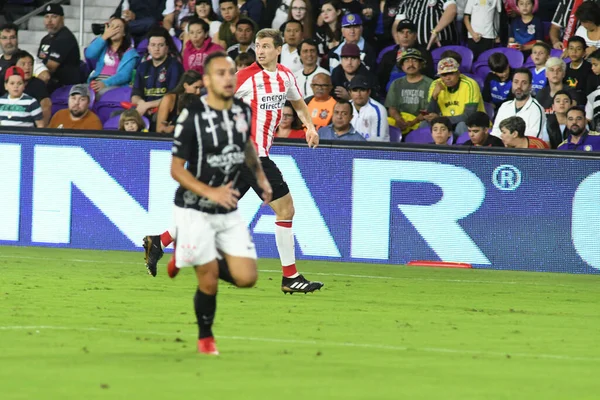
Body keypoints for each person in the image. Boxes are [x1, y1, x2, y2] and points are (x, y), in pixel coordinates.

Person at [144, 29, 324, 294]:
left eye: (265, 46)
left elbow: (298, 103)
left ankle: (160, 241)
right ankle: (290, 277)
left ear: (278, 49)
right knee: (285, 211)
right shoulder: (245, 77)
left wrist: (310, 126)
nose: (260, 51)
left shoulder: (285, 76)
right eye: (257, 46)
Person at [169, 51, 272, 355]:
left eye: (231, 72)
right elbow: (175, 170)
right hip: (194, 207)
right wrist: (210, 192)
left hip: (226, 208)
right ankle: (205, 338)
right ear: (206, 80)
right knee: (210, 280)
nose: (229, 78)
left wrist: (260, 176)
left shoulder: (242, 110)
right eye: (221, 73)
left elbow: (247, 145)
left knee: (247, 278)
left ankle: (187, 253)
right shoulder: (192, 116)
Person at [131, 28, 184, 119]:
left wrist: (147, 105)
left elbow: (172, 97)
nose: (156, 49)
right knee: (117, 114)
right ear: (148, 47)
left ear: (167, 48)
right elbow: (135, 95)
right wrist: (142, 104)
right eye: (153, 45)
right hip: (145, 108)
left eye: (161, 45)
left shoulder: (175, 66)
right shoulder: (142, 66)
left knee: (156, 117)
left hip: (166, 109)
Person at [425, 57, 485, 136]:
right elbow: (431, 114)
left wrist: (442, 120)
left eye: (451, 73)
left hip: (471, 123)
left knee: (461, 125)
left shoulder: (470, 84)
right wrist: (434, 97)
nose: (448, 78)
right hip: (446, 124)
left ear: (458, 73)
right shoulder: (435, 84)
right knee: (424, 124)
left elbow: (469, 116)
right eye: (444, 75)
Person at [85, 17, 140, 98]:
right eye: (111, 26)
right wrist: (104, 37)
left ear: (124, 33)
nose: (113, 29)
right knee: (78, 92)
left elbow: (124, 75)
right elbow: (89, 54)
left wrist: (105, 83)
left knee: (97, 95)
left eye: (117, 27)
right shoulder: (103, 47)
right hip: (96, 83)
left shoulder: (130, 53)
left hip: (114, 85)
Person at [377, 19, 435, 92]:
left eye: (409, 32)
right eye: (402, 32)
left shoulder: (424, 54)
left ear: (415, 36)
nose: (405, 36)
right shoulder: (388, 55)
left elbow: (429, 76)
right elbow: (380, 79)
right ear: (397, 35)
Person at [492, 68, 549, 142]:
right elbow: (495, 134)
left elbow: (532, 140)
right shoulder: (504, 106)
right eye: (516, 82)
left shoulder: (536, 109)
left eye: (524, 83)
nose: (519, 86)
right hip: (501, 150)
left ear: (530, 86)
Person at [385, 48, 433, 136]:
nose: (410, 64)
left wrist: (412, 122)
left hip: (419, 122)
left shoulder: (430, 84)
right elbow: (392, 108)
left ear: (421, 64)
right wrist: (399, 120)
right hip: (400, 121)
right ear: (402, 66)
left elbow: (428, 111)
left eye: (414, 61)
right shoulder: (396, 83)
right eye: (406, 61)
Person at [37, 4, 82, 92]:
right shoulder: (46, 39)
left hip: (65, 87)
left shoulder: (65, 38)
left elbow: (51, 68)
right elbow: (40, 61)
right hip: (52, 83)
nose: (49, 21)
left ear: (62, 18)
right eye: (46, 17)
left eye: (54, 17)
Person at [382, 0, 458, 49]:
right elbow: (396, 25)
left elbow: (452, 10)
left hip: (441, 44)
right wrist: (400, 45)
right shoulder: (406, 3)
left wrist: (435, 31)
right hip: (416, 48)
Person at [0, 22, 49, 94]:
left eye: (12, 37)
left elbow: (45, 76)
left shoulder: (28, 58)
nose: (8, 42)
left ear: (17, 39)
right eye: (4, 38)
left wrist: (24, 93)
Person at [13, 51, 52, 126]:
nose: (27, 67)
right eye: (23, 64)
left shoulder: (38, 84)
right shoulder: (6, 82)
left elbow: (46, 105)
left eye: (30, 64)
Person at [348, 75, 389, 141]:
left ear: (369, 92)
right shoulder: (345, 107)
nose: (358, 94)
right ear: (350, 92)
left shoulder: (379, 110)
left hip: (373, 149)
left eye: (362, 90)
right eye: (355, 90)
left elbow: (379, 140)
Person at [565, 36, 592, 104]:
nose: (574, 52)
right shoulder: (563, 67)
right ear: (567, 50)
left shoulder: (590, 68)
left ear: (584, 52)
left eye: (578, 49)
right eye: (571, 48)